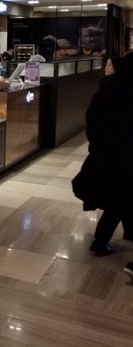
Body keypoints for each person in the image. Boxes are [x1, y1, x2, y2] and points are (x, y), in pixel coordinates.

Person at [72, 52, 133, 257]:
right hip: (123, 155)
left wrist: (96, 144)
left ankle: (128, 231)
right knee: (121, 197)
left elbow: (91, 121)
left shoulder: (106, 89)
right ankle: (100, 241)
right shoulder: (128, 94)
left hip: (104, 152)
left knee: (124, 194)